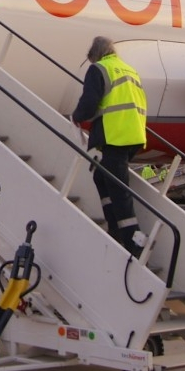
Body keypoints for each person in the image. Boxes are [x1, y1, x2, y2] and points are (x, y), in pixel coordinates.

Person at [70, 36, 147, 255]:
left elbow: (89, 102)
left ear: (95, 55)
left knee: (119, 189)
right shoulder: (128, 69)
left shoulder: (99, 69)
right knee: (100, 176)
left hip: (114, 136)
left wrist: (77, 117)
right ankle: (115, 229)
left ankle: (133, 243)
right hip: (133, 135)